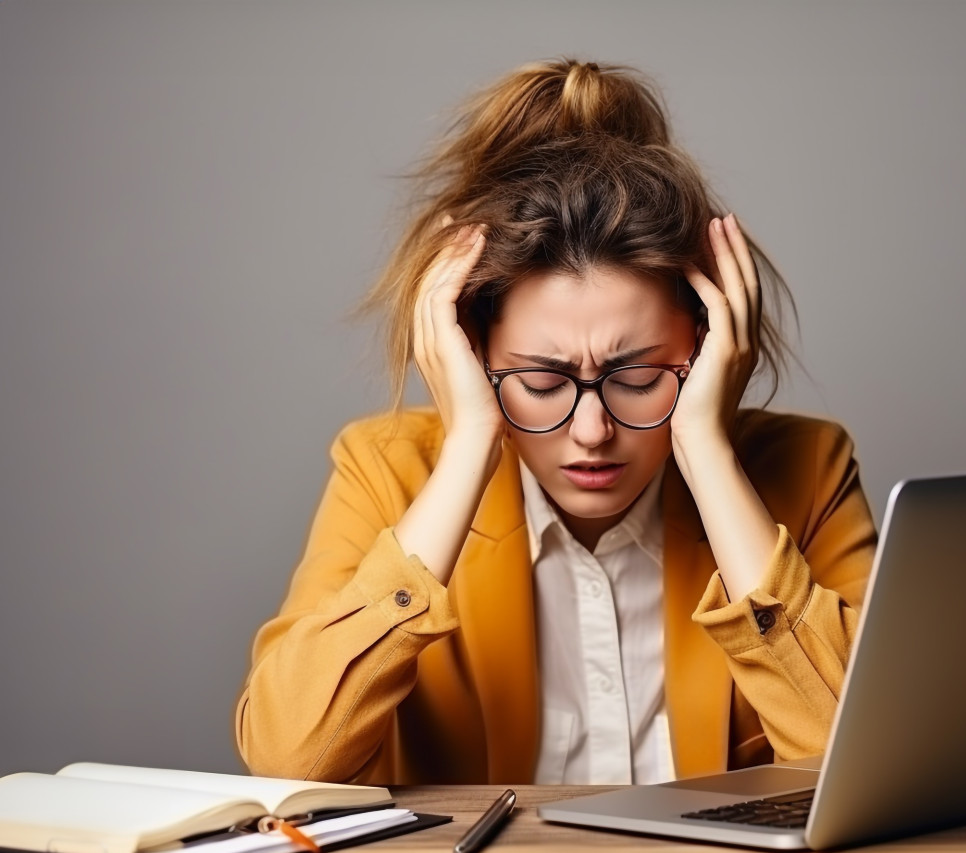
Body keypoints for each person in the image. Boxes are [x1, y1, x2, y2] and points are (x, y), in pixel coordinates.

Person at [234, 58, 878, 786]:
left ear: (703, 350)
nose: (593, 428)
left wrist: (705, 447)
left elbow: (867, 761)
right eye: (542, 381)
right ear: (474, 354)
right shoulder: (387, 472)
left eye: (637, 376)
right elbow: (288, 753)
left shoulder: (809, 468)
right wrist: (471, 446)